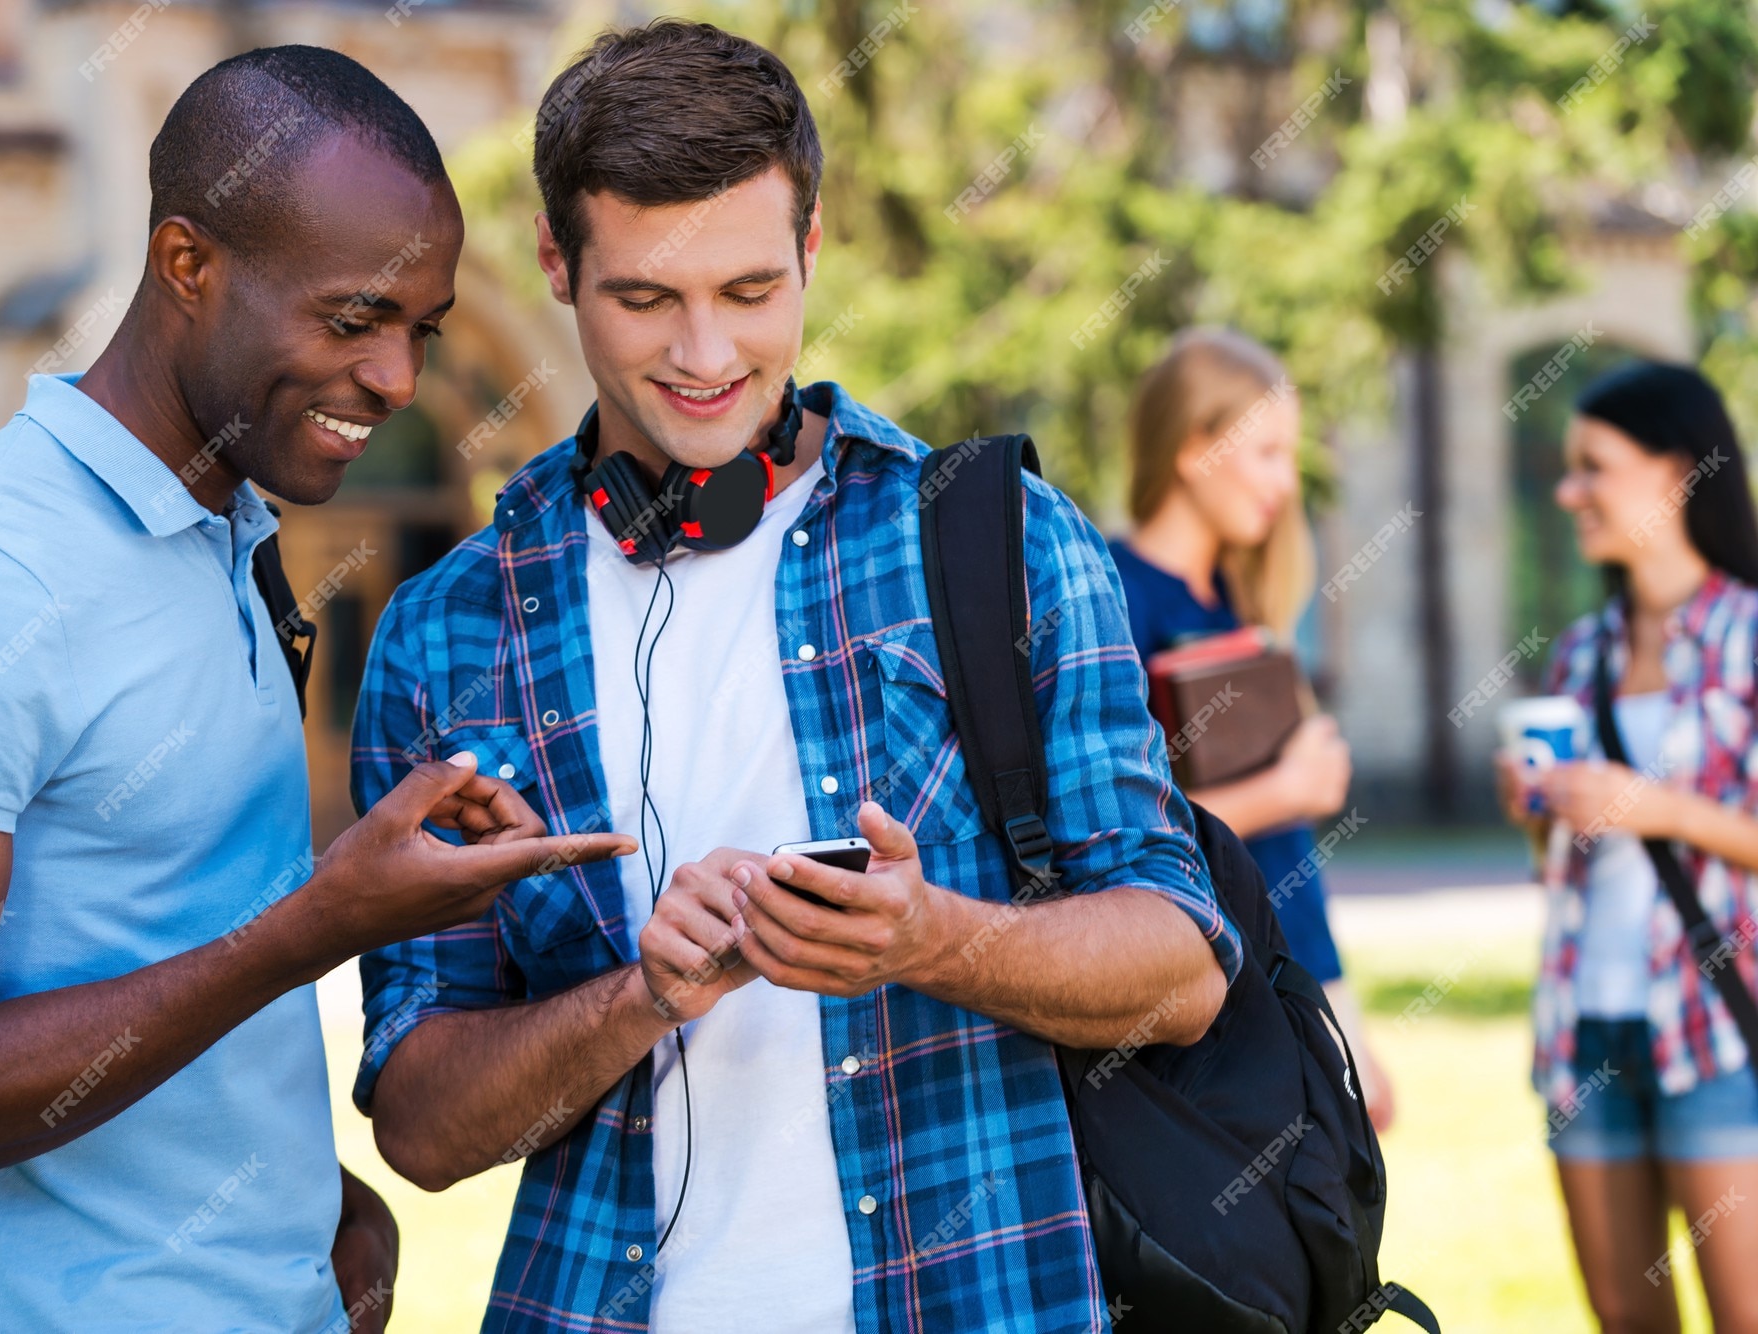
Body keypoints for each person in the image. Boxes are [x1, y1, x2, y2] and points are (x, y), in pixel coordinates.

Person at [349, 19, 1240, 1334]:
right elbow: (421, 1128)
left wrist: (937, 937)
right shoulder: (444, 636)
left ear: (812, 249)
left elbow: (1182, 969)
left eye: (753, 291)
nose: (707, 356)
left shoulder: (1002, 541)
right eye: (646, 298)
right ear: (554, 260)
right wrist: (642, 994)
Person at [0, 46, 631, 1332]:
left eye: (421, 329)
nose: (400, 382)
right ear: (188, 265)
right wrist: (314, 925)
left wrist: (317, 1216)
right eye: (352, 320)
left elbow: (152, 950)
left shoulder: (225, 536)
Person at [1496, 362, 1758, 1334]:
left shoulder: (1747, 637)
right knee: (1624, 1322)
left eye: (1589, 467)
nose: (1567, 493)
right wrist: (1537, 810)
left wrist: (1655, 805)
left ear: (1675, 474)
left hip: (1715, 1032)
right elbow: (1557, 863)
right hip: (1582, 1029)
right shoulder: (1579, 654)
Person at [1108, 326, 1395, 1130]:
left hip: (1302, 965)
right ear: (1196, 449)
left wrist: (1350, 1018)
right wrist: (1287, 788)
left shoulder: (1237, 602)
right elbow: (1122, 840)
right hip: (1216, 1002)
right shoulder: (1112, 597)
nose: (1283, 484)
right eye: (1266, 453)